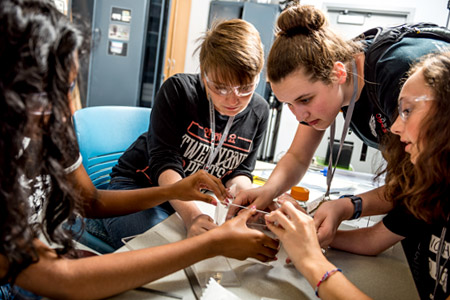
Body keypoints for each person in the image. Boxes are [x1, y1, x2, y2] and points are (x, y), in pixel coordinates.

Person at [0, 1, 279, 299]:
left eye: (68, 90)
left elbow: (90, 201)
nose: (68, 109)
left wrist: (175, 190)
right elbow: (66, 280)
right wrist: (212, 244)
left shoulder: (48, 129)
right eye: (47, 94)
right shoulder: (179, 92)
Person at [228, 3, 450, 246]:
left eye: (305, 100)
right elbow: (298, 156)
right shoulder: (335, 74)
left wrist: (339, 214)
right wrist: (268, 191)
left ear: (339, 73)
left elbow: (403, 205)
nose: (299, 116)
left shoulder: (397, 75)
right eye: (289, 104)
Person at [265, 51, 450, 299]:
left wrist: (310, 260)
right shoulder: (435, 191)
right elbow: (376, 236)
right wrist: (312, 231)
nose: (394, 127)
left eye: (407, 110)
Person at [90, 18, 269, 249]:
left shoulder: (259, 111)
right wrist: (192, 216)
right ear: (205, 74)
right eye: (221, 87)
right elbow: (165, 164)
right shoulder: (179, 92)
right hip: (141, 187)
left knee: (216, 249)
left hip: (196, 198)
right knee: (159, 253)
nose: (233, 99)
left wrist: (247, 198)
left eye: (246, 88)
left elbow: (241, 171)